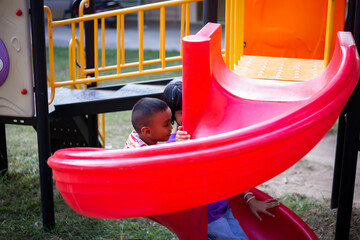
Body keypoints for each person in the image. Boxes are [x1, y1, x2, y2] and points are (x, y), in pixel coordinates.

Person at [163, 80, 280, 240]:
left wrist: (250, 199)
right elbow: (171, 182)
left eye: (194, 107)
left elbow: (228, 169)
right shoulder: (172, 145)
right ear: (172, 116)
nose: (190, 114)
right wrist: (178, 150)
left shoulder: (209, 136)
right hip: (206, 218)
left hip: (223, 208)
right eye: (183, 112)